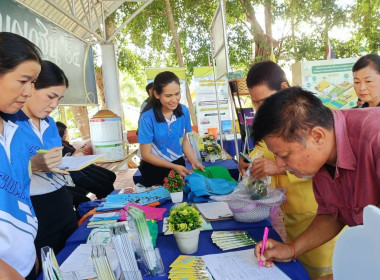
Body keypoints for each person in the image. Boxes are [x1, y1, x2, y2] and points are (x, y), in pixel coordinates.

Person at [252, 86, 380, 280]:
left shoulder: (374, 140)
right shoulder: (323, 154)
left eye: (284, 155)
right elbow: (332, 213)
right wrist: (291, 249)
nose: (279, 164)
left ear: (317, 136)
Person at [238, 61, 336, 279]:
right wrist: (251, 167)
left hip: (318, 221)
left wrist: (277, 168)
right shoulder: (274, 131)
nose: (259, 109)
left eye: (264, 101)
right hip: (297, 222)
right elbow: (335, 212)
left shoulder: (313, 125)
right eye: (255, 103)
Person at [15, 60, 78, 275]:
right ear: (30, 87)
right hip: (33, 207)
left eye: (59, 99)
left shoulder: (50, 124)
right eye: (50, 96)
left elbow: (55, 158)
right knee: (46, 269)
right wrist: (33, 164)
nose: (54, 104)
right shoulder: (9, 123)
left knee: (72, 259)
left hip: (61, 199)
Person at [0, 32, 42, 279]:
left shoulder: (17, 129)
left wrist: (28, 249)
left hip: (24, 263)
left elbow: (19, 194)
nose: (29, 92)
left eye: (34, 82)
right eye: (24, 81)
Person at [138, 71, 204, 187]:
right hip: (153, 169)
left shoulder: (184, 111)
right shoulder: (147, 118)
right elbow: (146, 155)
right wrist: (173, 167)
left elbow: (184, 141)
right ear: (157, 94)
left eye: (177, 94)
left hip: (178, 164)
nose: (174, 100)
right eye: (168, 96)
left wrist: (193, 160)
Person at [56, 121, 116, 198]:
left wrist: (79, 152)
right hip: (74, 173)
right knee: (102, 186)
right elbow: (62, 163)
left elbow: (72, 152)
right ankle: (104, 203)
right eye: (64, 133)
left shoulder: (64, 142)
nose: (65, 135)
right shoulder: (56, 146)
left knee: (110, 176)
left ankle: (109, 200)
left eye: (66, 132)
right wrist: (74, 154)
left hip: (82, 166)